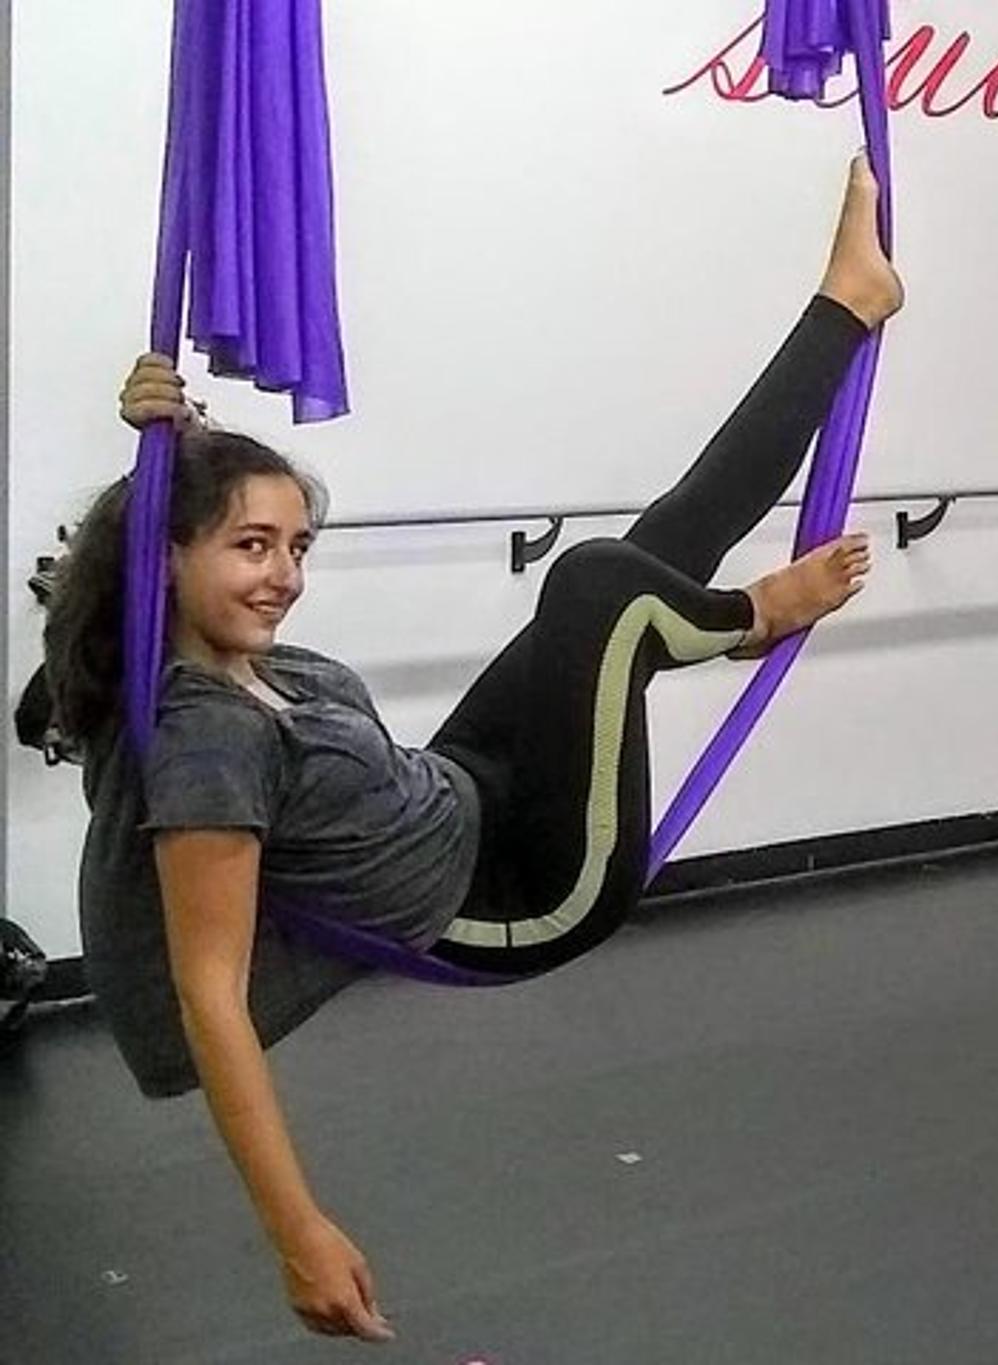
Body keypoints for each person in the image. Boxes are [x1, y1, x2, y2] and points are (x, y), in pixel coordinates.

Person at [36, 155, 901, 1342]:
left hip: (467, 788)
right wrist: (300, 1233)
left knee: (649, 545)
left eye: (294, 548)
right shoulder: (203, 744)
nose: (283, 575)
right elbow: (207, 997)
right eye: (249, 547)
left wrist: (175, 433)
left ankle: (846, 306)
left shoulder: (237, 668)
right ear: (170, 557)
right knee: (603, 587)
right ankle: (751, 621)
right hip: (523, 892)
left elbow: (167, 553)